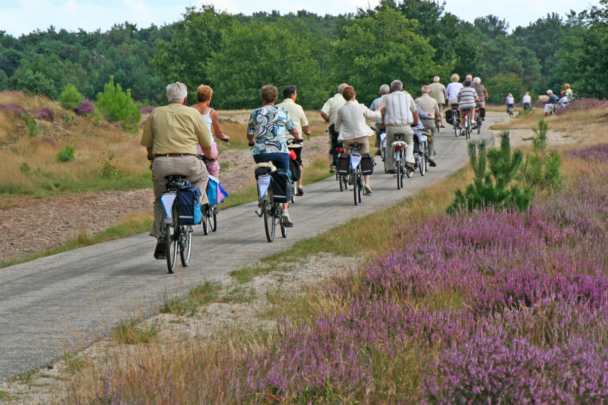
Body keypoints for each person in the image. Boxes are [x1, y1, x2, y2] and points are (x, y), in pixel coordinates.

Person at [141, 82, 215, 259]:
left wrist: (153, 157)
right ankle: (197, 201)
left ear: (167, 98)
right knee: (203, 175)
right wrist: (210, 157)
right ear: (185, 99)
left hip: (162, 163)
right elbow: (206, 144)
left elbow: (149, 147)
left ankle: (161, 235)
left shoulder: (156, 113)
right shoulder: (193, 113)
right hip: (189, 162)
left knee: (160, 200)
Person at [247, 85, 303, 226]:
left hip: (260, 153)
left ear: (262, 98)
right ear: (276, 98)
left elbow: (249, 133)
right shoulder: (282, 110)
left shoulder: (255, 113)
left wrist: (251, 141)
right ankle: (285, 211)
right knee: (284, 175)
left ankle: (263, 197)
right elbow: (292, 130)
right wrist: (298, 138)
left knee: (261, 170)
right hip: (280, 151)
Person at [334, 86, 385, 195]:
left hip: (347, 139)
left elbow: (337, 126)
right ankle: (367, 183)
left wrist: (339, 129)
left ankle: (347, 173)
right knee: (365, 155)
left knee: (346, 152)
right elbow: (374, 115)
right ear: (354, 96)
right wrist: (379, 108)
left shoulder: (341, 110)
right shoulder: (361, 107)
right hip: (361, 137)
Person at [190, 85, 229, 178]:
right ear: (209, 97)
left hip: (192, 145)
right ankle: (213, 190)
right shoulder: (212, 112)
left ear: (197, 96)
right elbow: (218, 133)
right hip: (208, 145)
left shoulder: (189, 110)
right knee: (214, 168)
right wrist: (224, 137)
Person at [278, 85, 310, 196]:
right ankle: (300, 185)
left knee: (279, 163)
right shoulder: (298, 107)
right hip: (295, 141)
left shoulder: (278, 107)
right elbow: (305, 125)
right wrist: (307, 132)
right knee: (298, 161)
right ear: (292, 95)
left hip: (281, 141)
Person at [382, 80, 418, 172]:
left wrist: (383, 122)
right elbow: (414, 111)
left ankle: (390, 167)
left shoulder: (386, 97)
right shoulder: (408, 96)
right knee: (410, 142)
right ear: (401, 89)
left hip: (391, 127)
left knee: (389, 144)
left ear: (391, 89)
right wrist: (415, 122)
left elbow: (383, 112)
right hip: (406, 126)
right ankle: (409, 160)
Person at [320, 83, 348, 172]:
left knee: (332, 143)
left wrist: (329, 120)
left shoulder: (331, 100)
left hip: (334, 128)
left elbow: (323, 113)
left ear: (338, 91)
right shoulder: (352, 99)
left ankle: (331, 165)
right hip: (348, 128)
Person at [415, 85, 440, 167]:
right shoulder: (433, 100)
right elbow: (437, 112)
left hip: (419, 122)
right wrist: (437, 118)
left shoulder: (417, 100)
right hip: (430, 122)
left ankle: (417, 152)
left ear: (421, 91)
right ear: (429, 92)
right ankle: (431, 156)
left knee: (416, 137)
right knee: (431, 140)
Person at [370, 84, 390, 155]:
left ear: (380, 92)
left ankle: (378, 147)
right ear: (389, 91)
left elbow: (371, 112)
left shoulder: (375, 101)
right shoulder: (391, 99)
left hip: (379, 124)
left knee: (378, 132)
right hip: (389, 123)